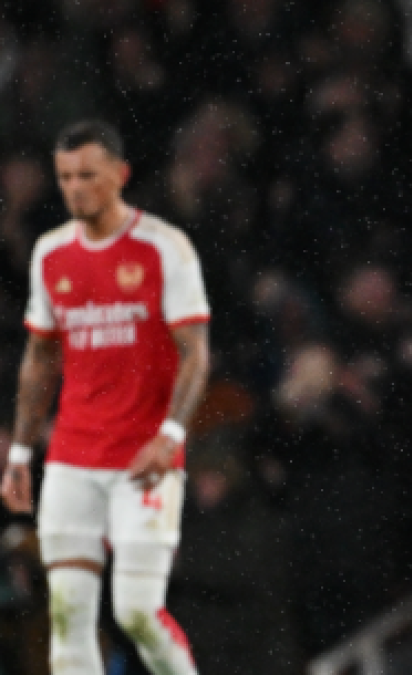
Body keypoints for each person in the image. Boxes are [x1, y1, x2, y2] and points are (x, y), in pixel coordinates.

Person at [1, 120, 211, 674]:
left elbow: (196, 353)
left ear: (120, 175)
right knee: (67, 621)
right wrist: (20, 451)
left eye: (87, 176)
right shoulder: (50, 253)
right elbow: (40, 356)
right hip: (72, 458)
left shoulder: (164, 247)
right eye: (65, 177)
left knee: (137, 612)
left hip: (144, 459)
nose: (75, 188)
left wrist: (170, 437)